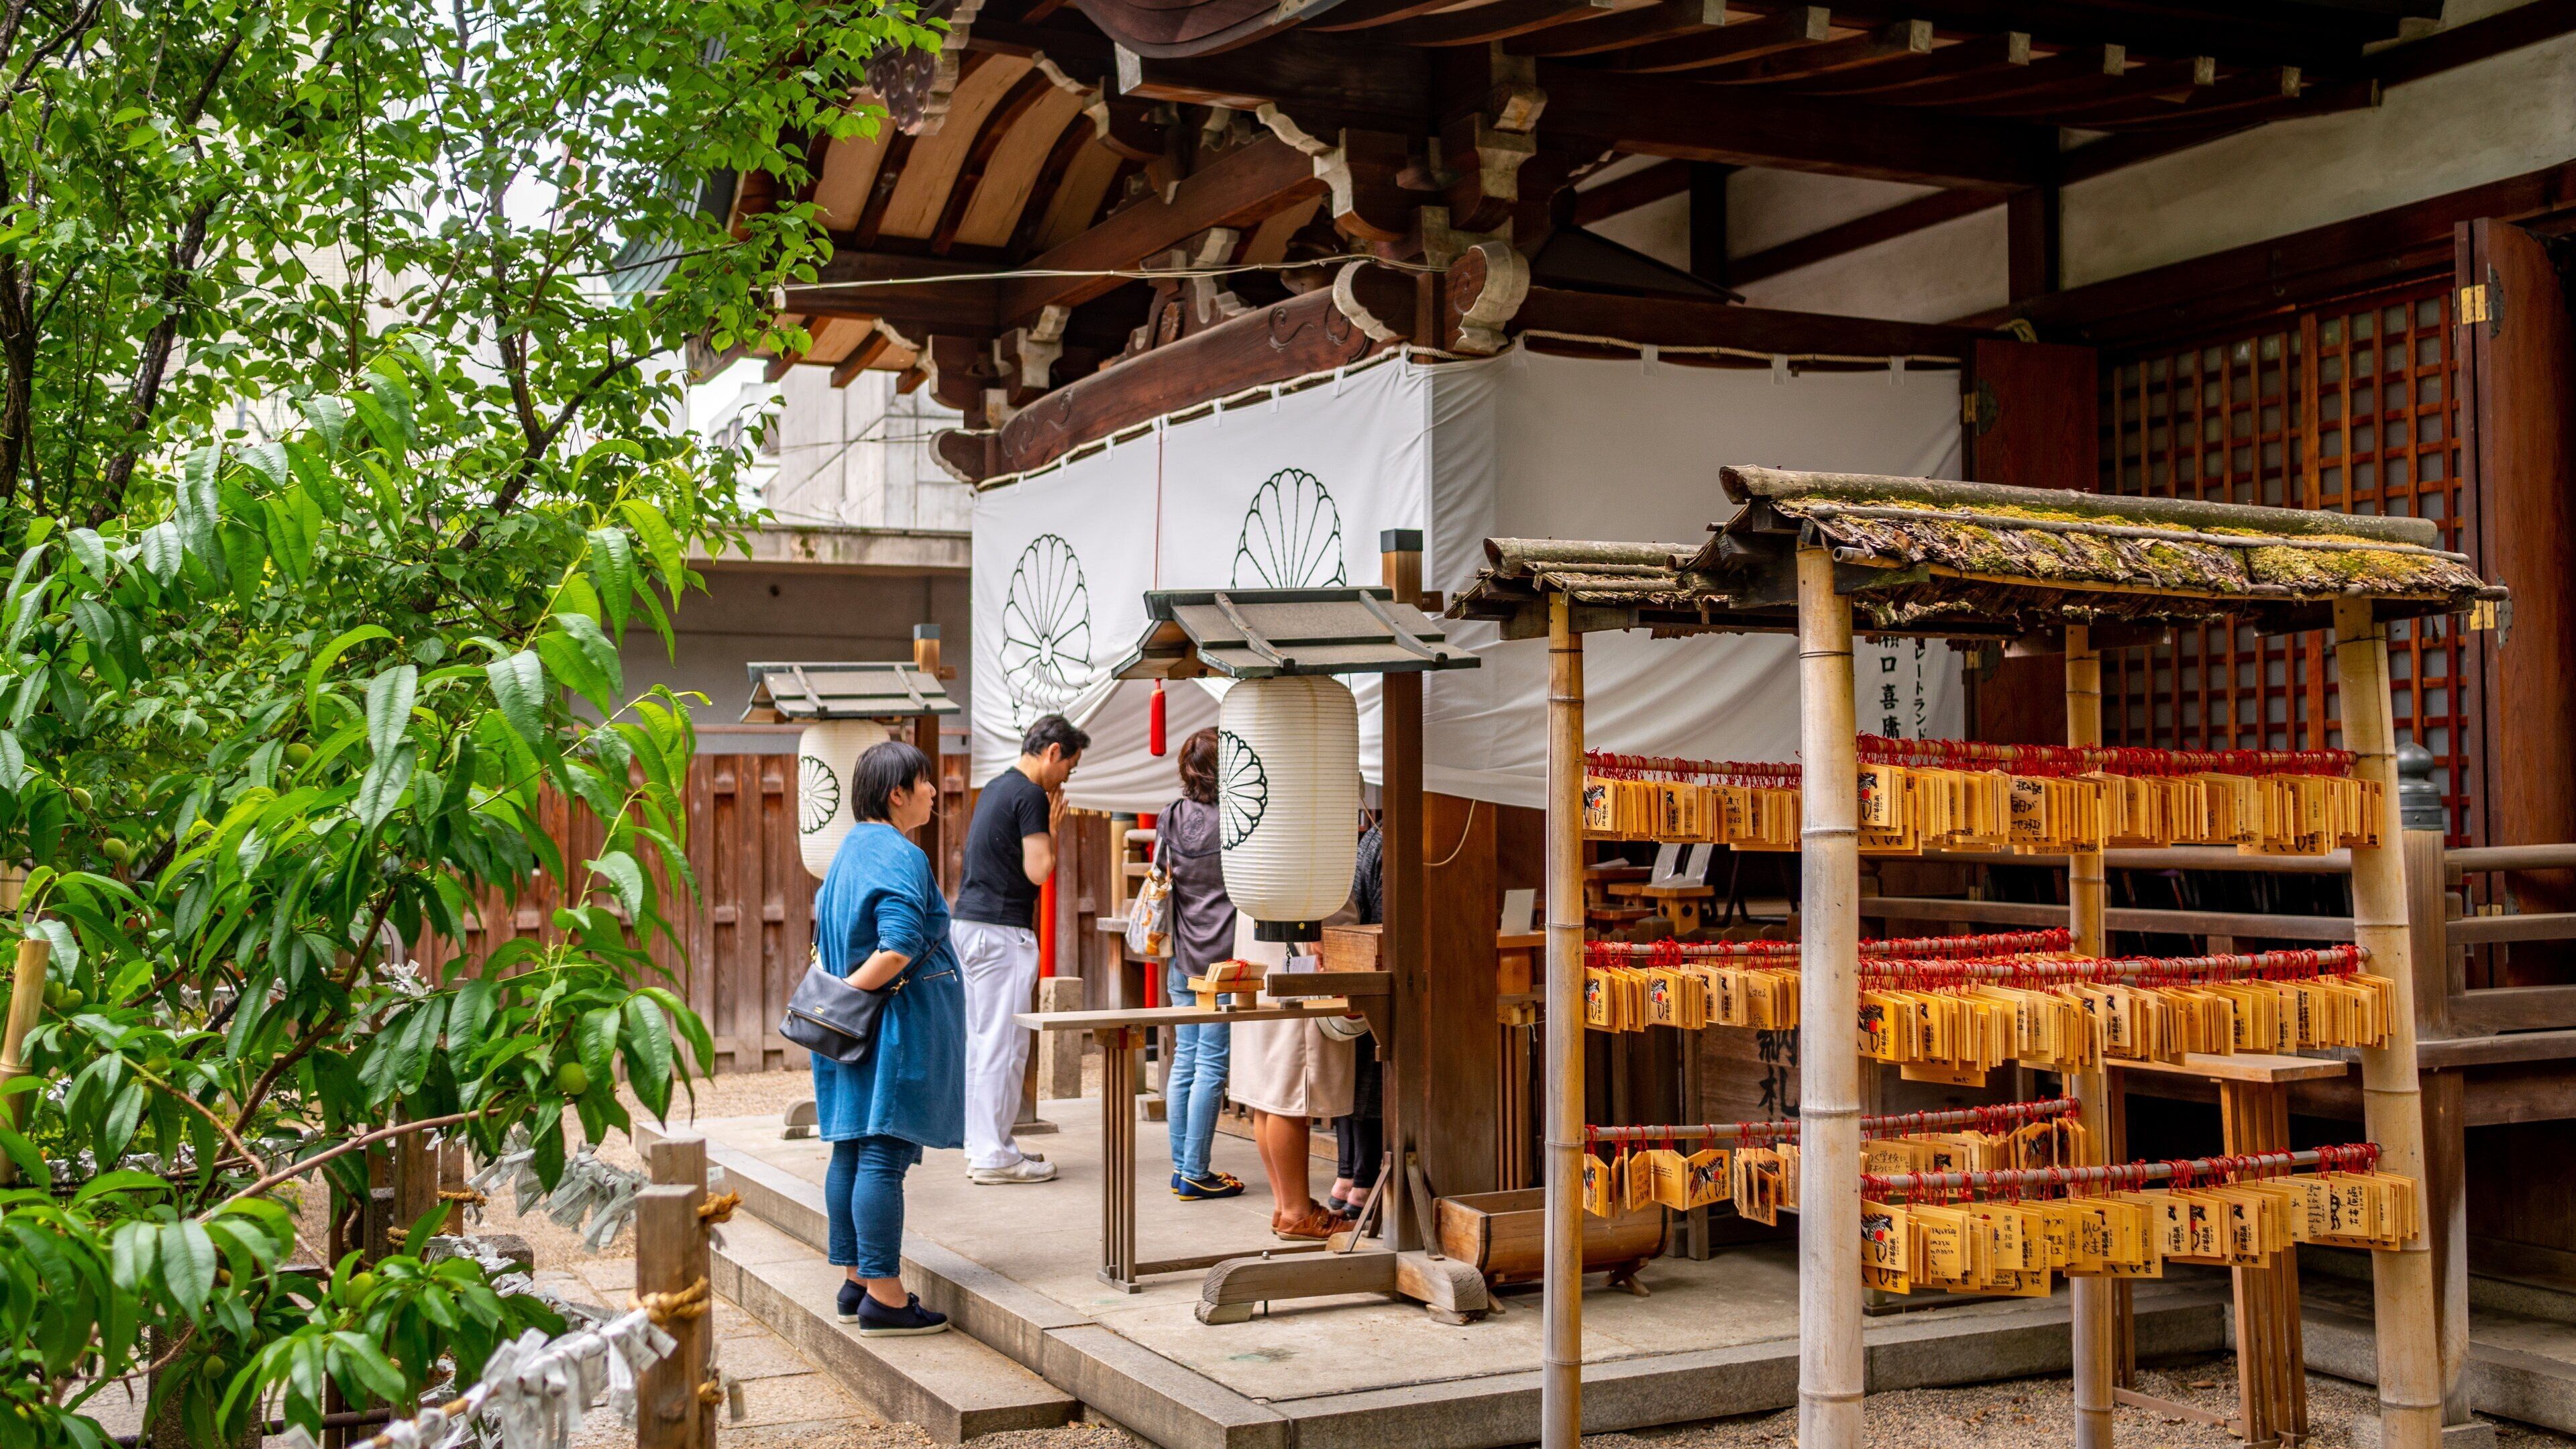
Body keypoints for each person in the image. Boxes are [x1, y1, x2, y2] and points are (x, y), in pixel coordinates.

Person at [812, 740, 965, 1337]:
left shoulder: (846, 851)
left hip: (847, 1030)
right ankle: (886, 1295)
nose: (933, 791)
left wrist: (837, 1008)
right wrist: (851, 1001)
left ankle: (856, 1279)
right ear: (896, 793)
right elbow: (899, 944)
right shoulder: (901, 854)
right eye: (924, 782)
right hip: (889, 1027)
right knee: (882, 1153)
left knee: (850, 1147)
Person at [950, 713, 1088, 1184]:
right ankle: (994, 1155)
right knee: (1004, 1044)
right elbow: (1039, 871)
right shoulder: (1030, 794)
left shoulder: (995, 787)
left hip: (968, 926)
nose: (1066, 777)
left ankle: (983, 1142)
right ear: (1053, 752)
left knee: (981, 1040)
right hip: (1001, 932)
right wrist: (1052, 830)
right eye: (1068, 766)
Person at [1228, 922, 1356, 1240]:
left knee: (1268, 1090)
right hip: (1298, 949)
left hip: (1262, 952)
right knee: (1290, 1091)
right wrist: (1324, 941)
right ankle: (1297, 1213)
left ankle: (1286, 1205)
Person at [1159, 729, 1244, 1201]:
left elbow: (1160, 878)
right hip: (1224, 958)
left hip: (1182, 952)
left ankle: (1182, 1168)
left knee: (1185, 1061)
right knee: (1210, 1064)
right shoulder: (1236, 820)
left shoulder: (1170, 816)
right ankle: (1195, 1170)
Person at [1328, 818, 1384, 1221]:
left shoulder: (1369, 838)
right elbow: (1384, 916)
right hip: (1369, 959)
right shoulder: (1389, 839)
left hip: (1347, 958)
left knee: (1352, 1076)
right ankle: (1362, 1180)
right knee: (1369, 1076)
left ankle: (1347, 1177)